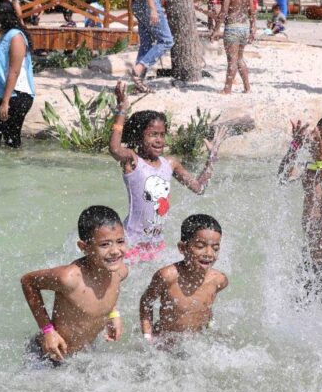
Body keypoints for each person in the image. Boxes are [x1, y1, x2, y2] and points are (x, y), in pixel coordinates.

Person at [109, 82, 221, 263]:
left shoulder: (170, 164)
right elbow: (114, 148)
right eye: (153, 134)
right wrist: (122, 110)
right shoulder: (133, 161)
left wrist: (212, 158)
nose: (159, 140)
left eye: (162, 134)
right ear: (139, 136)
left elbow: (199, 188)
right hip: (131, 243)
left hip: (156, 245)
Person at [20, 206, 128, 366]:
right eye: (105, 245)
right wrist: (48, 331)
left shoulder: (120, 272)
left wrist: (113, 314)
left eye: (120, 241)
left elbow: (105, 293)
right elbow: (27, 281)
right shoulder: (69, 278)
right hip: (50, 355)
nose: (115, 251)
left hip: (83, 353)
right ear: (84, 247)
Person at [277, 115, 322, 316]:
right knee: (295, 319)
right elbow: (283, 177)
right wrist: (294, 146)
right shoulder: (310, 171)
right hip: (309, 265)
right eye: (319, 141)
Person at [138, 214, 229, 348]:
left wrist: (210, 327)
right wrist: (148, 336)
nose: (209, 253)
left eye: (215, 248)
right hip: (166, 340)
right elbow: (146, 301)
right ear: (182, 248)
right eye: (200, 246)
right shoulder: (168, 276)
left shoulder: (219, 280)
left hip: (196, 342)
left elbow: (205, 306)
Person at [0, 0, 35, 148]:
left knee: (11, 143)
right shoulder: (4, 35)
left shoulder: (16, 36)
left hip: (15, 96)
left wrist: (5, 102)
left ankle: (15, 170)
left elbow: (14, 72)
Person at [210, 0, 256, 94]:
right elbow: (252, 13)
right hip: (244, 28)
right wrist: (253, 28)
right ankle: (247, 87)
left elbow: (223, 12)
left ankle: (227, 89)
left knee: (232, 60)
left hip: (233, 29)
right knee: (240, 58)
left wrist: (216, 29)